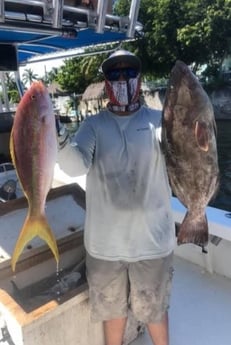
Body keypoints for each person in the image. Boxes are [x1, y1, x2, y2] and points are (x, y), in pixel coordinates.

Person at [58, 49, 175, 345]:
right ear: (107, 81)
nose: (122, 79)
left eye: (129, 73)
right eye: (114, 74)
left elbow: (185, 160)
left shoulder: (161, 122)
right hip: (105, 247)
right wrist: (57, 138)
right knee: (113, 312)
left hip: (152, 243)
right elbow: (75, 165)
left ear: (139, 77)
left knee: (155, 311)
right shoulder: (93, 126)